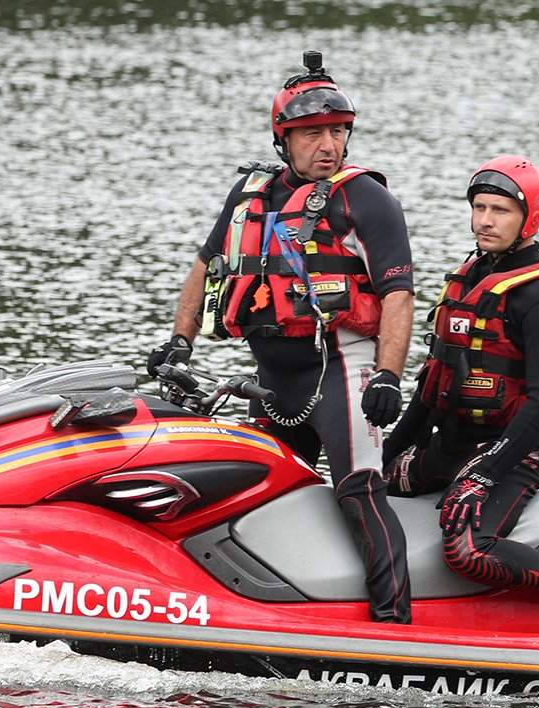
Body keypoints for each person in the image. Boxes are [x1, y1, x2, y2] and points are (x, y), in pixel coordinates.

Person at [147, 51, 413, 623]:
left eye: (338, 132)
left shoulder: (366, 199)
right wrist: (180, 340)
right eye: (313, 134)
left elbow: (398, 294)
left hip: (344, 372)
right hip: (274, 384)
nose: (329, 146)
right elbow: (205, 264)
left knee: (358, 491)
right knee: (252, 494)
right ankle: (269, 611)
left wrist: (389, 374)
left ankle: (394, 623)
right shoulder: (251, 195)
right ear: (283, 139)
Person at [379, 156, 539, 629]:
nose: (485, 221)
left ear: (528, 218)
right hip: (449, 446)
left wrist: (486, 475)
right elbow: (431, 387)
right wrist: (385, 455)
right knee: (355, 491)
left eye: (500, 210)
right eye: (479, 207)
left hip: (513, 453)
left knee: (467, 550)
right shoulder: (468, 278)